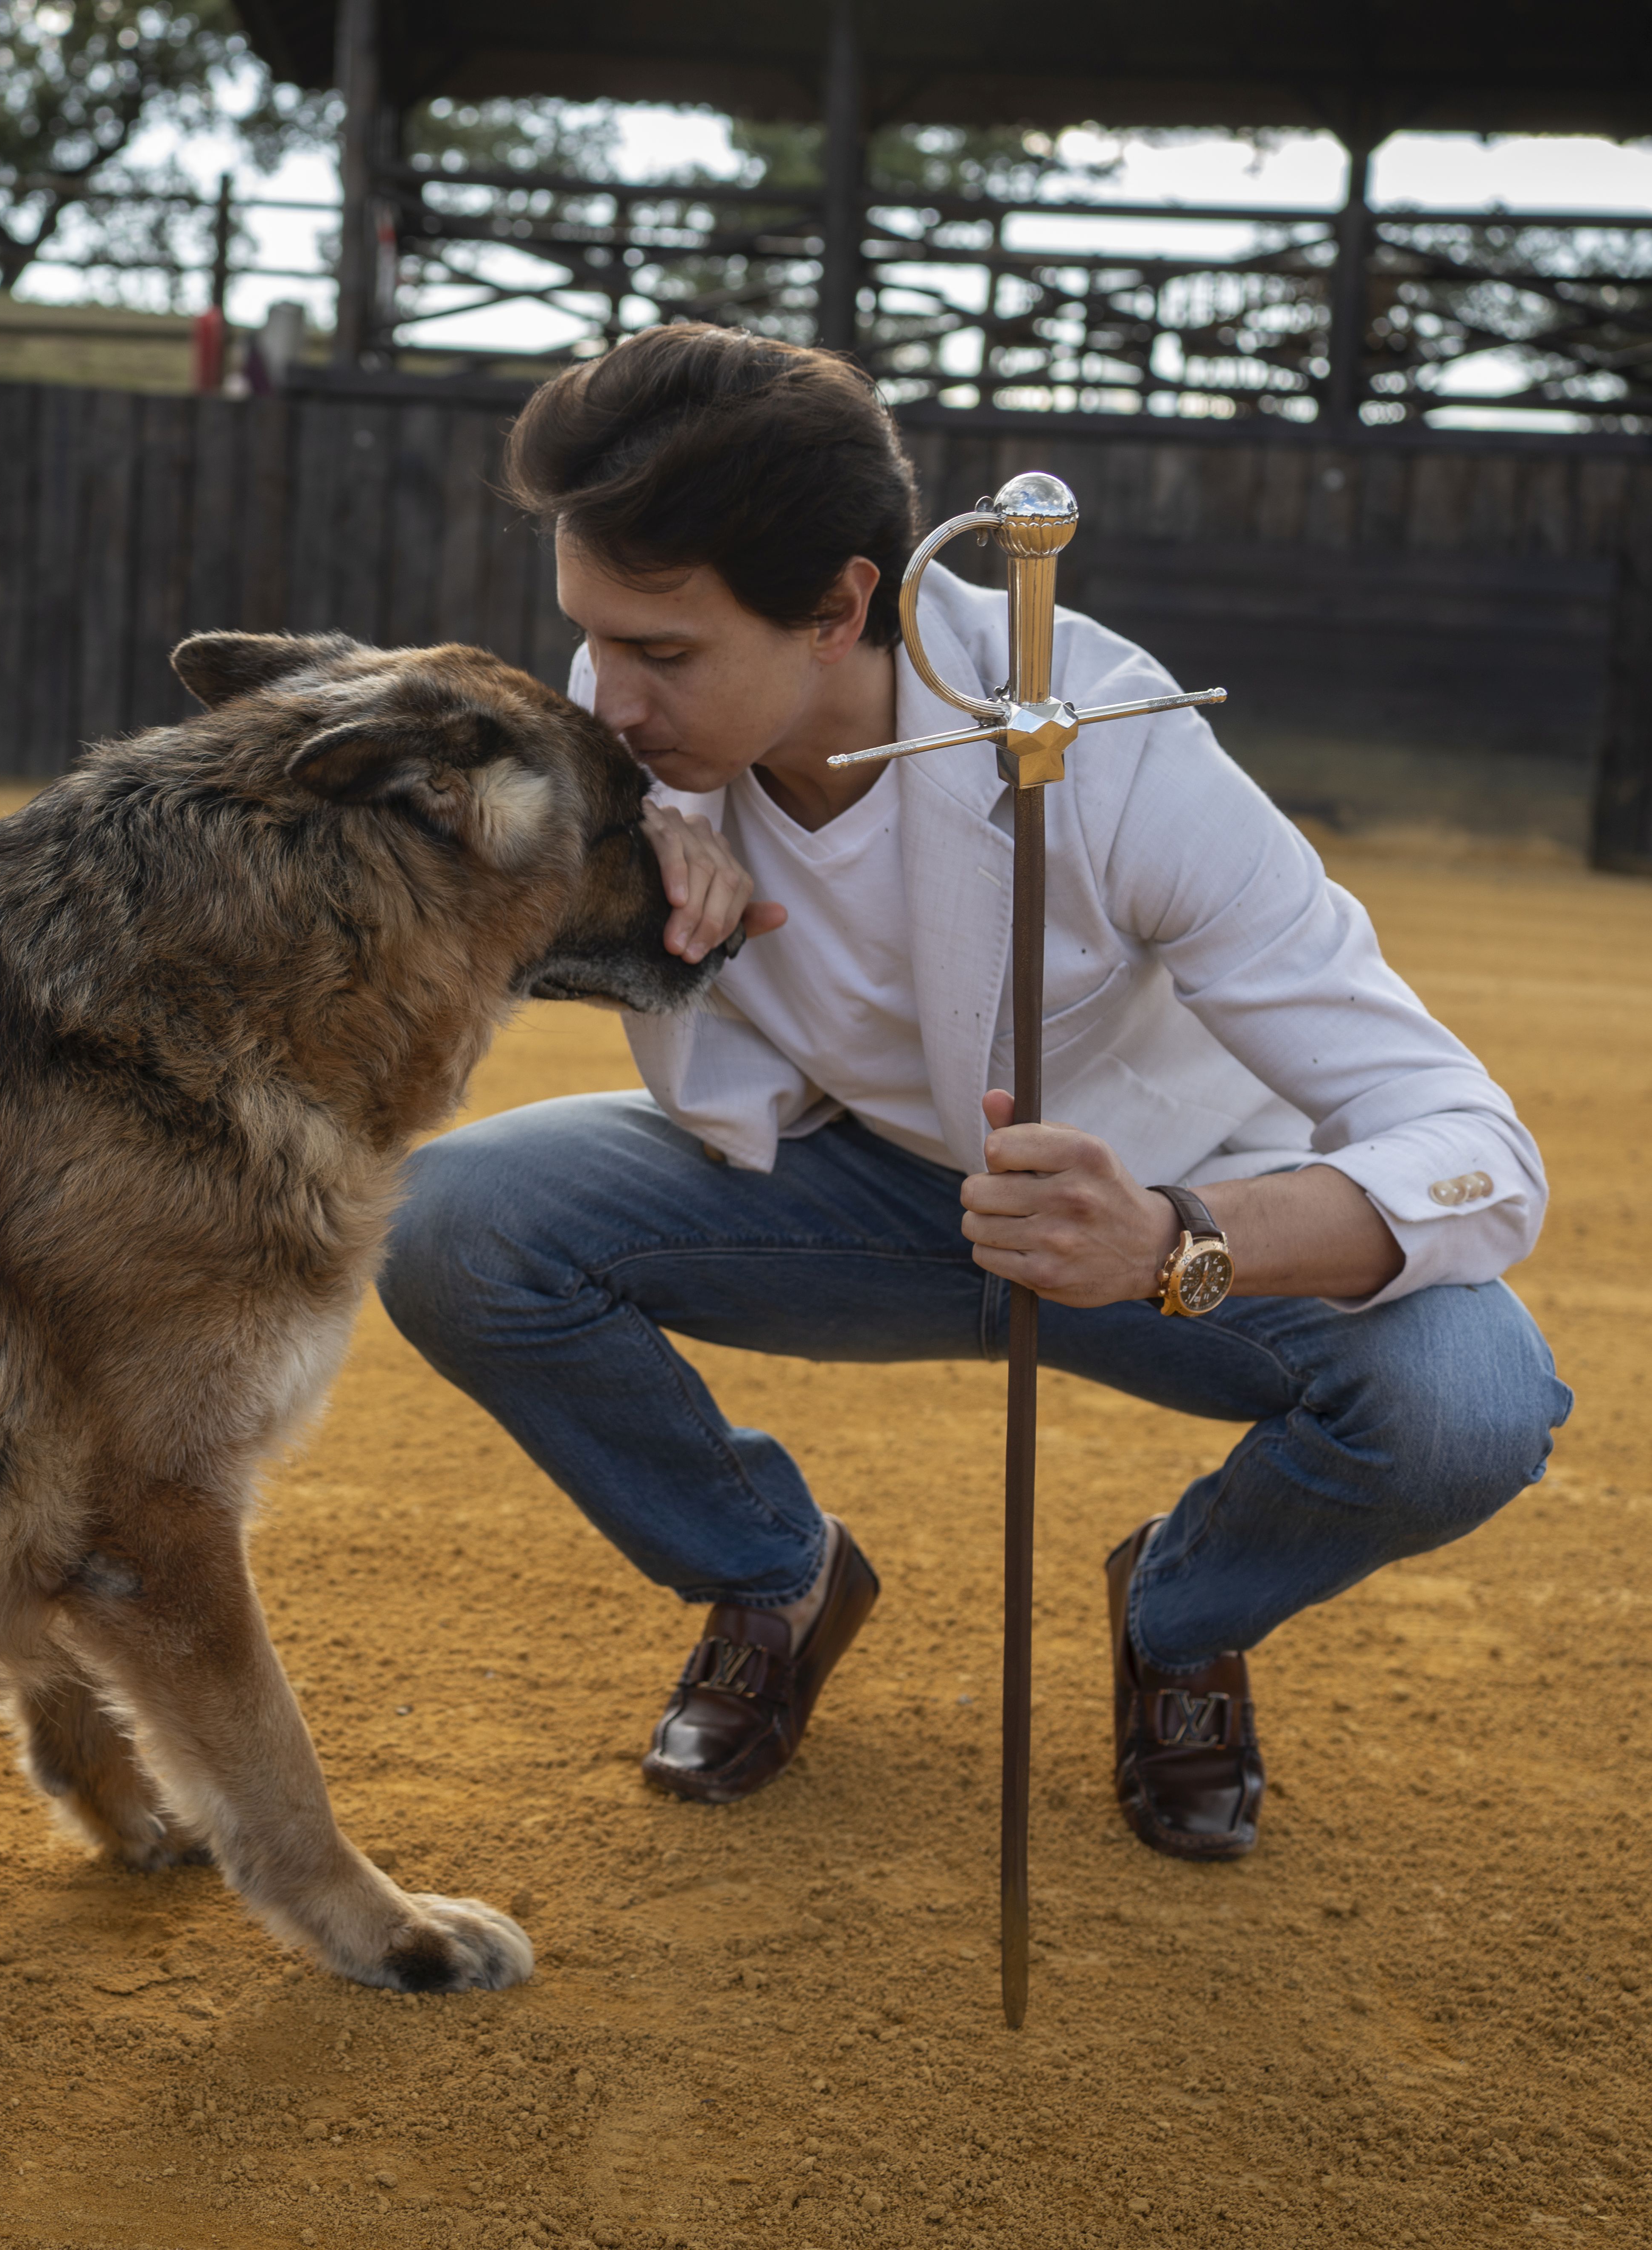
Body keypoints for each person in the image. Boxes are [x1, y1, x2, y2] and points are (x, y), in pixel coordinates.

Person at [378, 325, 1571, 1857]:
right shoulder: (640, 733)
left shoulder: (1119, 754)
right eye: (588, 637)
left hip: (1150, 1220)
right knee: (455, 1226)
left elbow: (1487, 1153)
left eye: (659, 655)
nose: (602, 699)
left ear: (839, 608)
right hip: (847, 1193)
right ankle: (776, 1579)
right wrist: (628, 860)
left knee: (1470, 1405)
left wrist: (1173, 1237)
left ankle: (1181, 1607)